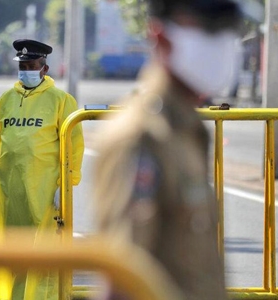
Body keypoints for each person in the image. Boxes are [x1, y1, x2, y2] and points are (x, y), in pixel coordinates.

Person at [93, 0, 242, 299]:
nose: (224, 43)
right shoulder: (140, 137)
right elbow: (123, 280)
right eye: (208, 30)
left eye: (229, 29)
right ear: (161, 36)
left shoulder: (185, 128)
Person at [0, 39, 85, 300]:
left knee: (41, 253)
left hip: (44, 191)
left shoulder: (61, 101)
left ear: (44, 69)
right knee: (11, 250)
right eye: (22, 66)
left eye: (31, 65)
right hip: (9, 192)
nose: (25, 70)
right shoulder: (6, 99)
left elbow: (74, 144)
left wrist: (67, 183)